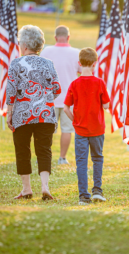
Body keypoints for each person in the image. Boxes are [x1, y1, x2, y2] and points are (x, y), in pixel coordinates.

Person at [6, 25, 61, 200]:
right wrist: (43, 96)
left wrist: (9, 113)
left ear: (25, 45)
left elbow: (11, 91)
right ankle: (45, 186)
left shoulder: (16, 63)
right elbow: (57, 88)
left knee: (23, 150)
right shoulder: (48, 63)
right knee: (44, 149)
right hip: (45, 113)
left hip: (22, 114)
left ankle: (27, 189)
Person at [63, 47, 110, 205]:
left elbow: (65, 108)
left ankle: (84, 195)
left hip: (80, 130)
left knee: (81, 162)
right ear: (95, 64)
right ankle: (97, 190)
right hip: (97, 129)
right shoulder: (99, 83)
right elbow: (106, 106)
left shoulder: (74, 84)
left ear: (79, 63)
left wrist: (75, 120)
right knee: (97, 158)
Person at [40, 25, 81, 165]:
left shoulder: (46, 51)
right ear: (68, 37)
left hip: (49, 97)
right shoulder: (76, 53)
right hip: (68, 100)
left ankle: (46, 157)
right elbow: (83, 71)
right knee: (67, 130)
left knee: (47, 131)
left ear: (55, 37)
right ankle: (62, 158)